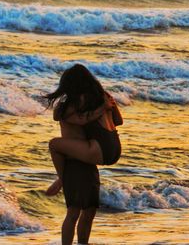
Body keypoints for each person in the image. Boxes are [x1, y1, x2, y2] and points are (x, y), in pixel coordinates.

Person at [44, 64, 123, 245]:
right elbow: (118, 121)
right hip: (103, 152)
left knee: (54, 144)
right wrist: (106, 107)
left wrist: (102, 108)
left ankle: (61, 179)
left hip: (85, 157)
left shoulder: (75, 104)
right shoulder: (99, 99)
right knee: (85, 211)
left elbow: (78, 119)